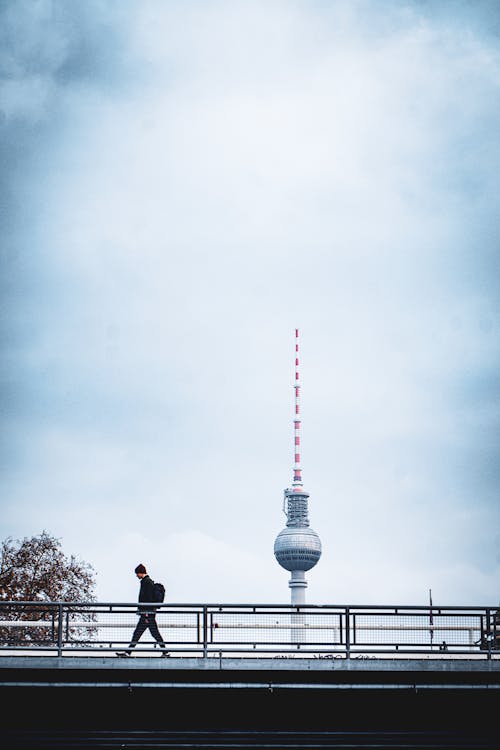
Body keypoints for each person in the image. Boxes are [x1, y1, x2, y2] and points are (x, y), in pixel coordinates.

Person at [116, 564, 169, 657]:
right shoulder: (147, 582)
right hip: (148, 613)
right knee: (150, 633)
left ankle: (128, 652)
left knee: (140, 633)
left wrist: (146, 614)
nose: (136, 575)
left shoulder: (147, 582)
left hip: (147, 614)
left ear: (141, 573)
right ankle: (165, 651)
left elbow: (147, 599)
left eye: (137, 573)